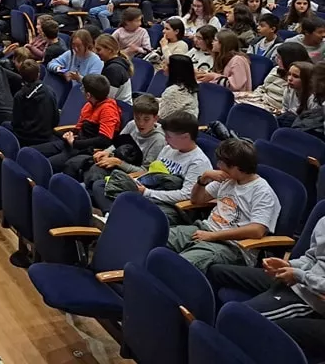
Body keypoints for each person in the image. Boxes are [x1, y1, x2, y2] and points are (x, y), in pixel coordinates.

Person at [208, 213, 325, 364]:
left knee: (237, 321)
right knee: (216, 271)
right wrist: (289, 265)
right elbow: (311, 258)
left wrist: (299, 275)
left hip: (310, 297)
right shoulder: (323, 221)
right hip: (297, 279)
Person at [167, 139, 281, 272]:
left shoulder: (262, 192)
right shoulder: (227, 179)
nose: (218, 165)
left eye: (221, 163)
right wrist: (203, 179)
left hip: (232, 247)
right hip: (204, 230)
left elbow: (257, 230)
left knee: (179, 266)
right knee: (159, 236)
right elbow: (196, 200)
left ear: (237, 167)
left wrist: (214, 236)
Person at [86, 95, 166, 213]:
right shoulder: (132, 125)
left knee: (98, 179)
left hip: (135, 176)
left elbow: (145, 171)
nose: (141, 123)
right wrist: (106, 152)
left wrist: (119, 163)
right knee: (93, 167)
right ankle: (94, 204)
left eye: (146, 119)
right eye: (137, 118)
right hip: (119, 165)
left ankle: (108, 211)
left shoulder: (158, 140)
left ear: (155, 118)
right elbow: (117, 144)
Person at [32, 73, 121, 175]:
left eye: (83, 88)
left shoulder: (108, 110)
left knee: (43, 165)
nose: (81, 90)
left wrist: (75, 143)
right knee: (31, 153)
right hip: (73, 143)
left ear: (88, 95)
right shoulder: (88, 105)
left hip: (85, 150)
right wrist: (68, 135)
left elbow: (104, 140)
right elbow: (78, 129)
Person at [237, 41, 312, 114]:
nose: (276, 60)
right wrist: (252, 97)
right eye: (276, 56)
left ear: (289, 59)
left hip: (275, 108)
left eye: (279, 58)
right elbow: (263, 87)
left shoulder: (299, 80)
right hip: (261, 100)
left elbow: (287, 107)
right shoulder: (276, 69)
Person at [11, 59, 60, 147]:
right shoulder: (50, 91)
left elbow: (16, 123)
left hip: (23, 138)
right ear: (39, 74)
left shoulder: (18, 96)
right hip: (45, 137)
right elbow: (55, 119)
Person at [94, 34, 133, 103]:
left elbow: (107, 98)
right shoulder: (113, 65)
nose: (96, 52)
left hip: (120, 109)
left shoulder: (114, 70)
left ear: (109, 49)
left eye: (98, 49)